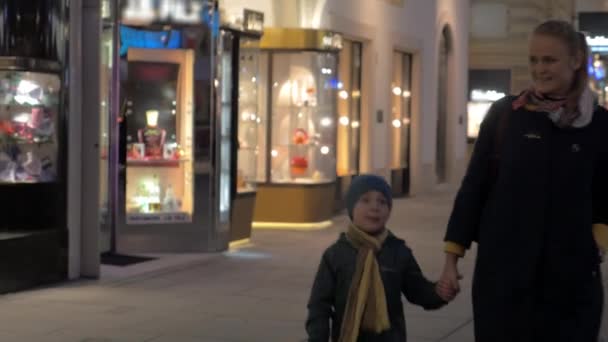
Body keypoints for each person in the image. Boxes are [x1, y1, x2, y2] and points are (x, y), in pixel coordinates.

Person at [440, 19, 608, 342]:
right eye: (533, 60)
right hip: (502, 280)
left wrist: (596, 242)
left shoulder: (599, 125)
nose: (539, 69)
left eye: (549, 60)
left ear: (575, 61)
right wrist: (451, 258)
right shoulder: (506, 115)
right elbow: (474, 188)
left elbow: (605, 194)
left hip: (571, 283)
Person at [306, 174, 457, 342]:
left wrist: (440, 292)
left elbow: (419, 292)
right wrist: (317, 337)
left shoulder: (398, 252)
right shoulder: (335, 255)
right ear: (351, 208)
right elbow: (319, 305)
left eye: (382, 201)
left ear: (389, 210)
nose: (375, 207)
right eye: (365, 200)